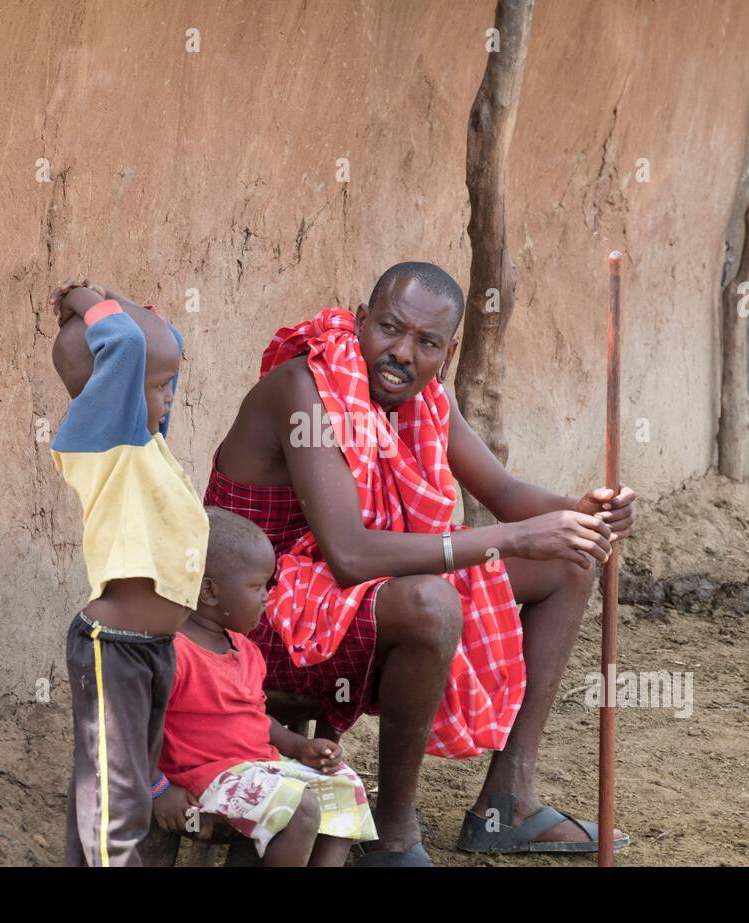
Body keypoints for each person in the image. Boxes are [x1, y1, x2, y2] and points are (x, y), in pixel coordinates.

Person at [204, 262, 636, 864]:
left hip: (340, 597)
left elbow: (506, 495)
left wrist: (579, 514)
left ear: (448, 352)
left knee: (567, 564)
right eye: (389, 328)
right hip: (257, 615)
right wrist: (513, 539)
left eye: (426, 343)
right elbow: (351, 554)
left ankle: (507, 801)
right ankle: (393, 831)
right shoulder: (302, 390)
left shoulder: (424, 400)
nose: (401, 353)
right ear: (360, 320)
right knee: (433, 603)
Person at [49, 278, 209, 866]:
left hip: (151, 650)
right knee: (117, 802)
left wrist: (136, 306)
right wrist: (88, 300)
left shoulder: (145, 444)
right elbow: (126, 347)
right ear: (110, 389)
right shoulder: (103, 443)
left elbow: (161, 348)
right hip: (110, 650)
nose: (171, 397)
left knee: (119, 784)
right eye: (161, 388)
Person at [152, 506, 377, 866]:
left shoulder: (245, 650)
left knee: (344, 787)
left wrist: (299, 746)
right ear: (210, 591)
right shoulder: (173, 652)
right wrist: (157, 788)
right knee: (300, 808)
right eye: (258, 586)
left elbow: (256, 718)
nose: (267, 596)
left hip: (256, 767)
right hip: (203, 780)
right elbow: (137, 728)